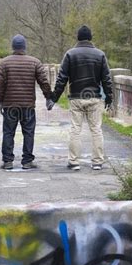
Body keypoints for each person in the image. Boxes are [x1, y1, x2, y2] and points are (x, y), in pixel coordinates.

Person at [49, 25, 113, 171]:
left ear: (78, 38)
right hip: (94, 98)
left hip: (76, 97)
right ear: (90, 38)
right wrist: (109, 98)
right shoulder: (100, 55)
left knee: (75, 130)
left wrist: (54, 98)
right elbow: (106, 79)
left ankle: (74, 161)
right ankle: (97, 162)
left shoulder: (70, 54)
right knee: (96, 129)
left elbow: (62, 78)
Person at [0, 34, 52, 170]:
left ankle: (8, 161)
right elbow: (43, 81)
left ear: (13, 47)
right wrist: (49, 97)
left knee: (8, 132)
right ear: (24, 47)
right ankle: (27, 161)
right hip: (27, 106)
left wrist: (0, 101)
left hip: (10, 105)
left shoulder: (4, 63)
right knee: (28, 132)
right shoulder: (35, 62)